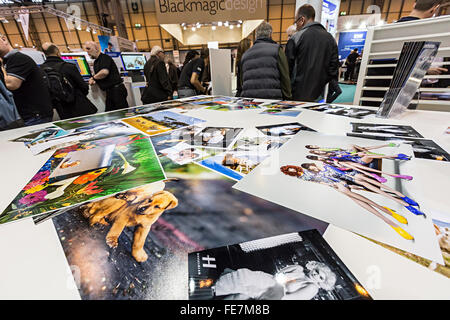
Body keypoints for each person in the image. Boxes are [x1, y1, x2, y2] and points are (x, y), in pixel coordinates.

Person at [286, 5, 339, 102]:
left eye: (296, 21)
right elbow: (333, 69)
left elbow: (287, 69)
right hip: (319, 95)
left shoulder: (296, 38)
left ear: (302, 20)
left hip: (296, 95)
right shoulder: (330, 39)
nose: (296, 25)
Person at [0, 34, 53, 126]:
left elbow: (11, 84)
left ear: (4, 39)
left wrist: (1, 67)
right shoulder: (8, 61)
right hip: (29, 115)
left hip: (35, 116)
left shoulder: (18, 58)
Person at [40, 43, 97, 119]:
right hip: (79, 106)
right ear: (58, 53)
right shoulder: (68, 66)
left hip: (61, 109)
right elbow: (83, 87)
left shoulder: (41, 70)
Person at [240, 22, 291, 100]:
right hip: (272, 100)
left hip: (250, 101)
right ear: (270, 34)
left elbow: (242, 82)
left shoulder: (245, 55)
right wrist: (288, 97)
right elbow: (285, 76)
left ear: (256, 36)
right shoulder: (277, 50)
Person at [84, 41, 128, 111]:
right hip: (110, 92)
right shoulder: (96, 61)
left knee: (123, 113)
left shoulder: (104, 58)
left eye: (88, 49)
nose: (87, 51)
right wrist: (94, 79)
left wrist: (93, 78)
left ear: (96, 48)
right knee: (111, 113)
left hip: (117, 91)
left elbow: (104, 72)